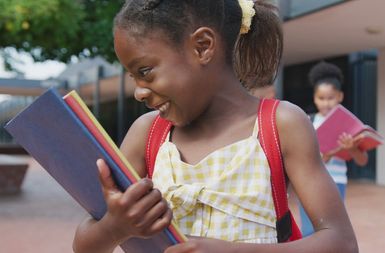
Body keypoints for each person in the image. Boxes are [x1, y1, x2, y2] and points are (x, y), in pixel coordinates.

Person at [73, 1, 358, 253]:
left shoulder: (280, 124)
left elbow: (341, 242)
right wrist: (115, 227)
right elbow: (84, 245)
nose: (139, 92)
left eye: (144, 72)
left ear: (203, 47)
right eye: (133, 77)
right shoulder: (147, 134)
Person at [299, 61, 368, 237]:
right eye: (321, 98)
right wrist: (327, 155)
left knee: (332, 231)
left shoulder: (348, 125)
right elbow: (300, 158)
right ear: (314, 98)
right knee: (309, 232)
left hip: (336, 182)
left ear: (340, 96)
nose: (326, 103)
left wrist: (351, 148)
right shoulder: (308, 122)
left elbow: (362, 160)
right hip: (309, 182)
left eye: (331, 98)